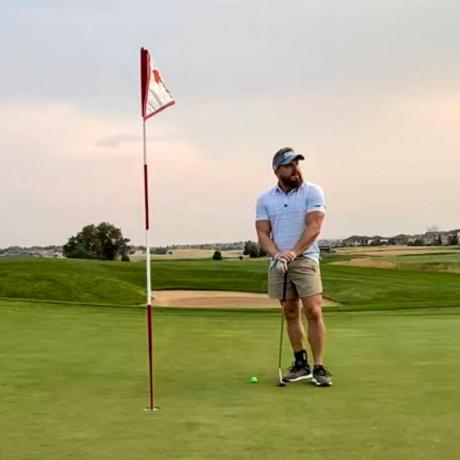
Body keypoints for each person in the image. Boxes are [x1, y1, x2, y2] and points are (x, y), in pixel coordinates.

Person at [255, 147, 332, 387]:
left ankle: (319, 367)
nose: (295, 169)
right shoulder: (265, 199)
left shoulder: (312, 191)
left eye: (297, 164)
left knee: (313, 310)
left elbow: (314, 226)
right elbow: (262, 234)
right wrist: (277, 255)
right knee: (290, 311)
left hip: (305, 258)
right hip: (279, 262)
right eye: (289, 165)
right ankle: (301, 364)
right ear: (277, 170)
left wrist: (294, 252)